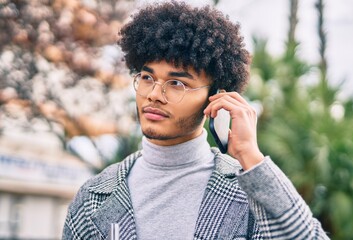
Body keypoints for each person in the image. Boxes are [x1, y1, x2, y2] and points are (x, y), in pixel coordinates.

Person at [62, 1, 329, 239]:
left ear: (215, 97)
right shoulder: (94, 198)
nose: (154, 94)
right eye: (147, 77)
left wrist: (251, 157)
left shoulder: (248, 191)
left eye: (176, 83)